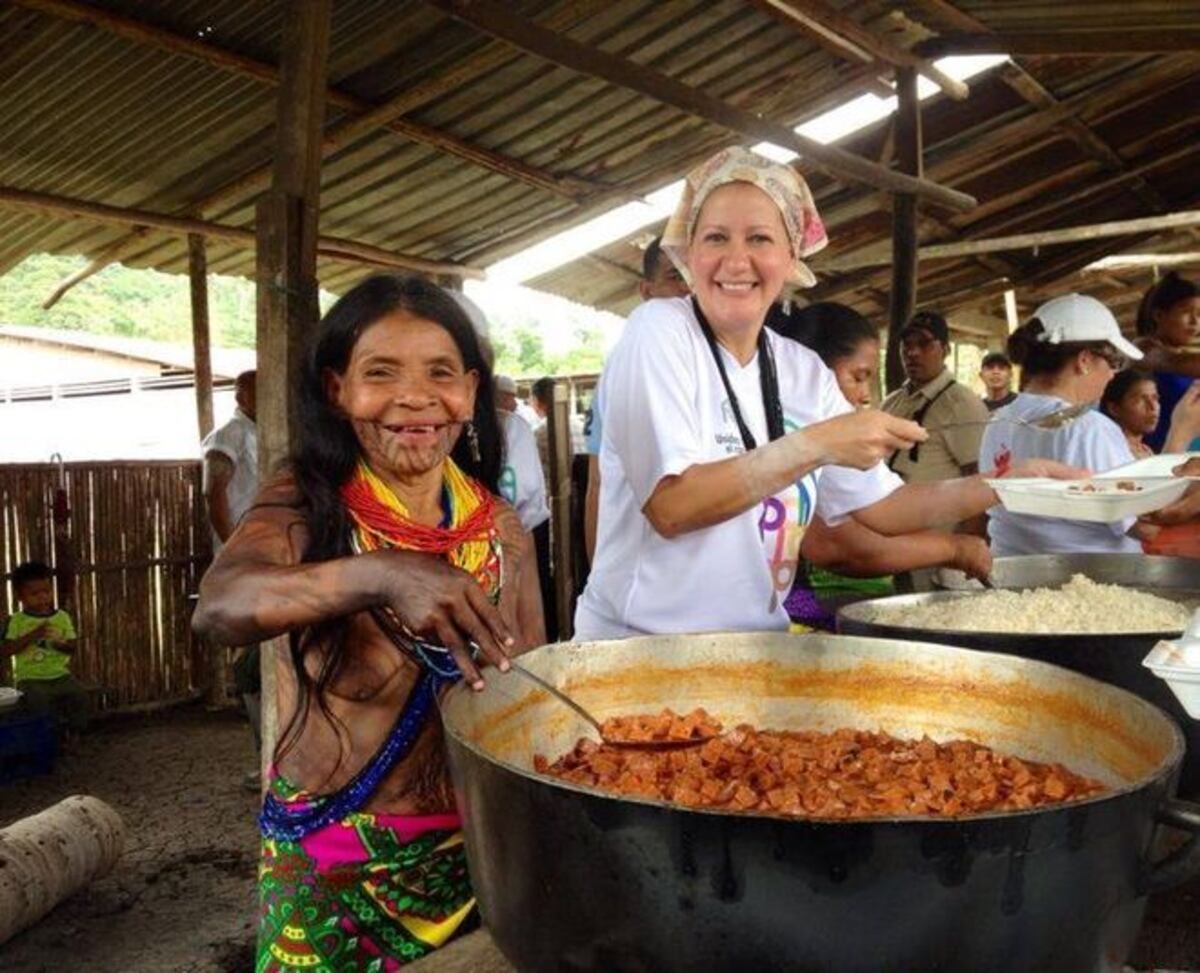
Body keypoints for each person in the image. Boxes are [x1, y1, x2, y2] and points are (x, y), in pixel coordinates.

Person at [575, 146, 1075, 640]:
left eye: (760, 238)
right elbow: (673, 507)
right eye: (716, 237)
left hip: (751, 652)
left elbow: (886, 507)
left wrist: (1010, 483)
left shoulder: (801, 372)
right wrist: (819, 443)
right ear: (689, 253)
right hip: (639, 652)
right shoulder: (659, 331)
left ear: (791, 256)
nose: (735, 259)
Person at [193, 274, 544, 968]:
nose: (414, 397)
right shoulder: (307, 505)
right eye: (380, 373)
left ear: (471, 392)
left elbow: (528, 695)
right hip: (330, 871)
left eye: (440, 373)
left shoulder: (501, 530)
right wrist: (382, 573)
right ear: (337, 389)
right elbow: (221, 607)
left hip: (472, 858)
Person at [769, 303, 991, 628]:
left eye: (923, 344)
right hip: (797, 595)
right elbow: (833, 544)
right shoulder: (810, 427)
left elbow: (886, 503)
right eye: (857, 377)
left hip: (801, 590)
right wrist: (954, 548)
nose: (862, 395)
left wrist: (1005, 485)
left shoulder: (961, 402)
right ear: (810, 368)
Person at [982, 293, 1152, 556]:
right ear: (1084, 361)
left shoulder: (997, 421)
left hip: (1011, 575)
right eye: (1113, 362)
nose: (1112, 374)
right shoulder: (1089, 428)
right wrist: (1180, 434)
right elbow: (1146, 524)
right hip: (1092, 585)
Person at [584, 236, 690, 562]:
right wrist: (597, 573)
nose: (690, 290)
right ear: (647, 291)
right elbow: (598, 481)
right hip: (642, 571)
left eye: (697, 277)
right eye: (676, 277)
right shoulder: (627, 363)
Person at [201, 369, 261, 784]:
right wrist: (232, 545)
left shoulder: (266, 432)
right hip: (245, 560)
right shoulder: (228, 436)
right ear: (241, 394)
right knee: (254, 663)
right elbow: (213, 491)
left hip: (265, 555)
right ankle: (265, 757)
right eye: (260, 389)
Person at [881, 310, 991, 485]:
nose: (913, 352)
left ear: (945, 350)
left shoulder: (962, 404)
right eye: (907, 345)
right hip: (889, 508)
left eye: (924, 344)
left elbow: (979, 477)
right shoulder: (891, 402)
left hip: (936, 511)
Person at [1, 560, 90, 737]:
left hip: (60, 676)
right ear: (20, 596)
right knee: (39, 701)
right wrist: (33, 635)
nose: (43, 597)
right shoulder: (17, 621)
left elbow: (72, 647)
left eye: (47, 592)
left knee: (79, 696)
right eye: (35, 594)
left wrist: (59, 644)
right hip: (30, 679)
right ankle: (49, 737)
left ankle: (76, 735)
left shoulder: (61, 617)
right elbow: (7, 651)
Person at [1133, 272, 1200, 452]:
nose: (1195, 322)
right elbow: (1174, 362)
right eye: (1186, 312)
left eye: (1199, 314)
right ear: (1159, 315)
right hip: (1161, 453)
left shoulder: (1183, 358)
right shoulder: (1144, 349)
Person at [1101, 370, 1160, 459]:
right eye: (1141, 400)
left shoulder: (1147, 452)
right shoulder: (1107, 449)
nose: (1152, 407)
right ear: (1114, 409)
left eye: (1155, 398)